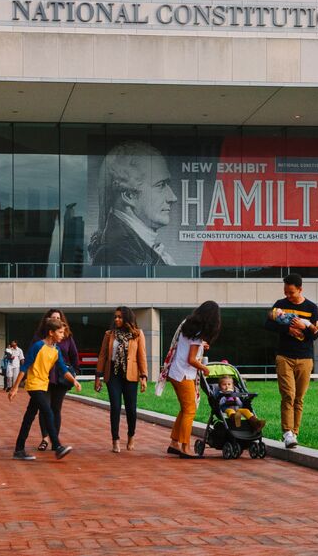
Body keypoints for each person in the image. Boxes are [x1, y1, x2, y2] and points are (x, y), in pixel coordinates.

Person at [88, 141, 178, 267]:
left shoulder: (128, 250)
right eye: (161, 185)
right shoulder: (116, 256)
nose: (173, 197)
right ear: (129, 195)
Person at [9, 316, 81, 460]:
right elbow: (25, 366)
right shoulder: (38, 346)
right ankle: (58, 446)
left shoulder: (56, 350)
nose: (62, 335)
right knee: (48, 411)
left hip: (43, 385)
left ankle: (19, 449)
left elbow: (63, 369)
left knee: (29, 417)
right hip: (34, 385)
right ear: (51, 333)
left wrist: (74, 381)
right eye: (60, 332)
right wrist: (15, 388)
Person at [264, 273, 318, 449]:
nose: (287, 295)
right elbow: (268, 324)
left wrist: (305, 327)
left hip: (305, 357)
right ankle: (287, 432)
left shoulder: (311, 307)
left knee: (299, 398)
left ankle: (295, 433)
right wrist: (288, 329)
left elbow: (316, 335)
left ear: (300, 289)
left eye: (291, 292)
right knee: (288, 395)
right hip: (284, 357)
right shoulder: (280, 305)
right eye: (285, 292)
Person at [165, 300, 221, 459]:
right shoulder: (199, 333)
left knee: (184, 409)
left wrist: (201, 345)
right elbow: (191, 359)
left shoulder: (188, 325)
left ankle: (174, 443)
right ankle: (185, 447)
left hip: (176, 372)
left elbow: (187, 345)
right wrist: (204, 368)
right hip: (184, 374)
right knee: (190, 410)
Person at [94, 306, 149, 452]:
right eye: (115, 317)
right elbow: (103, 355)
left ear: (127, 318)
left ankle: (131, 436)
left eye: (120, 317)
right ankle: (115, 440)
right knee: (116, 407)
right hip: (113, 374)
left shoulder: (137, 334)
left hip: (130, 375)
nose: (117, 319)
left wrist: (143, 376)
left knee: (131, 409)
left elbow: (141, 356)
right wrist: (98, 376)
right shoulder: (109, 334)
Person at [29, 309, 81, 452]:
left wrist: (74, 373)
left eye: (59, 318)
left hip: (61, 378)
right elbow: (31, 358)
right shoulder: (39, 339)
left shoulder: (66, 336)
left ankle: (55, 440)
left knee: (56, 409)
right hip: (44, 377)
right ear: (47, 321)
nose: (57, 320)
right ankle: (45, 438)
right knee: (44, 408)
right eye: (53, 318)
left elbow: (74, 355)